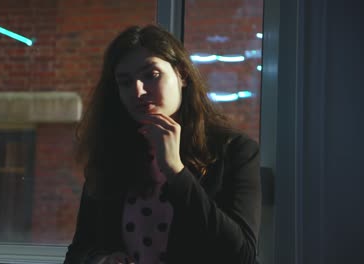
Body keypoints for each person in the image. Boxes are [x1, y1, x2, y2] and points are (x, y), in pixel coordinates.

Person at [64, 24, 261, 264]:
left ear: (182, 75)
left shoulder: (235, 151)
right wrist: (100, 260)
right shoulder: (111, 154)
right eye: (125, 82)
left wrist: (176, 171)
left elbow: (242, 255)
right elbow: (77, 252)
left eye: (151, 75)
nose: (138, 90)